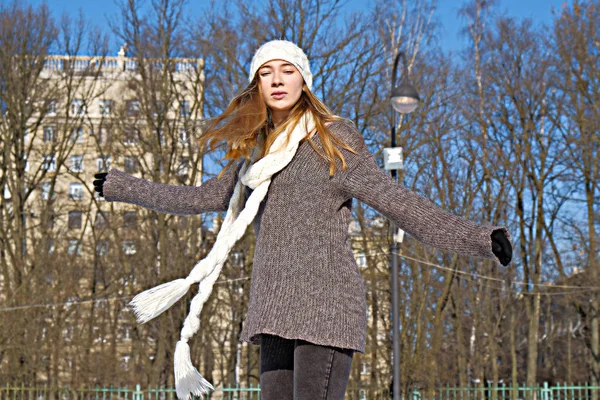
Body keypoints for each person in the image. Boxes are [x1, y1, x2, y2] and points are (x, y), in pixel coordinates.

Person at [92, 40, 512, 400]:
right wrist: (121, 185)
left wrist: (478, 237)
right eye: (266, 73)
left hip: (326, 306)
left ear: (303, 80)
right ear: (256, 85)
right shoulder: (254, 154)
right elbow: (202, 197)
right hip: (273, 310)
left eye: (287, 70)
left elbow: (398, 201)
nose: (276, 80)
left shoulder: (333, 140)